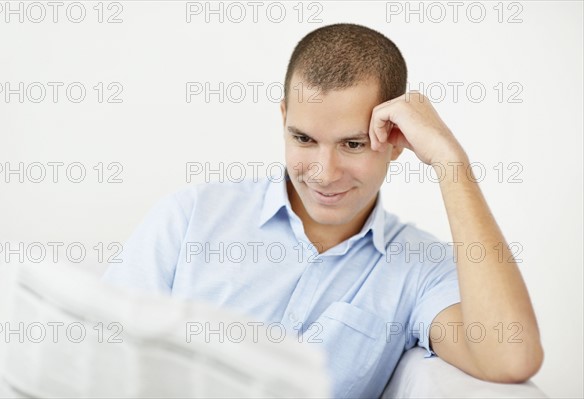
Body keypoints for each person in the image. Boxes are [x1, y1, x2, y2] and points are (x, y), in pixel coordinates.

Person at [103, 23, 543, 397]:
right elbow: (101, 351)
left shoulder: (418, 268)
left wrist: (451, 162)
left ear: (395, 141)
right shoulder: (191, 217)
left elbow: (510, 356)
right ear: (283, 120)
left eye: (352, 144)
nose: (324, 172)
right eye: (303, 139)